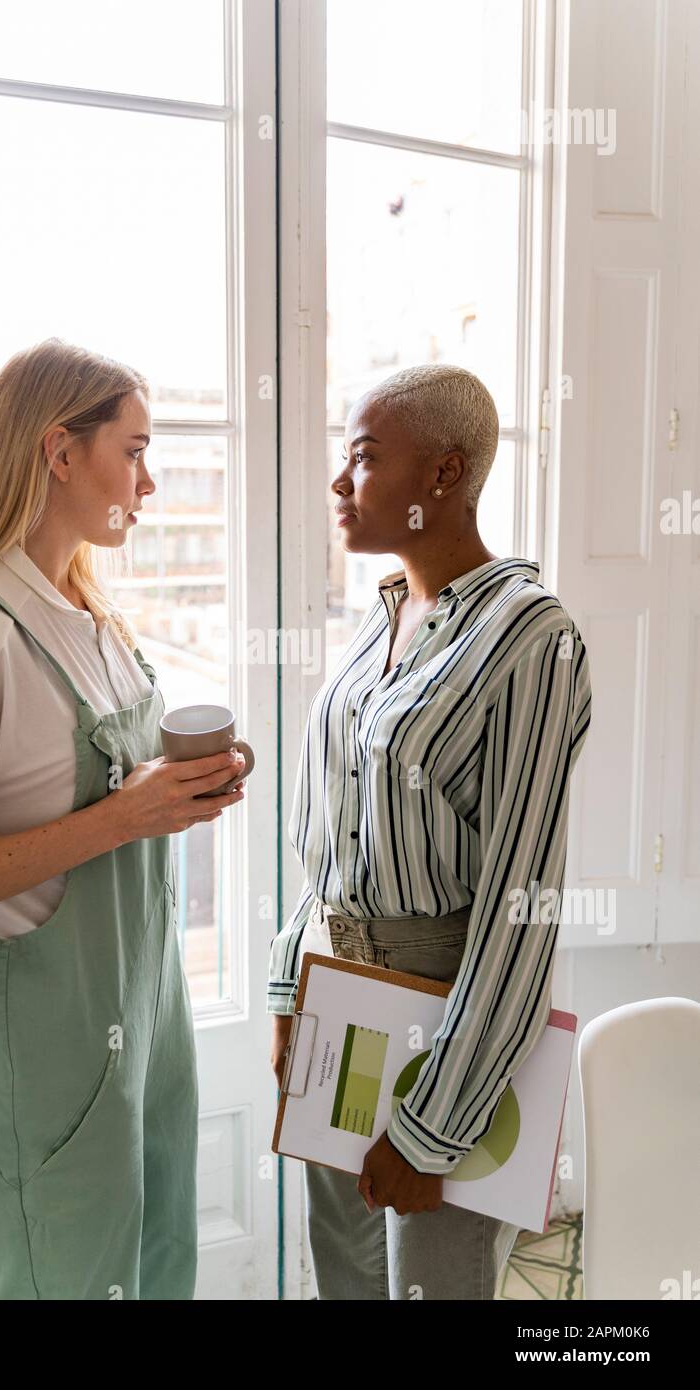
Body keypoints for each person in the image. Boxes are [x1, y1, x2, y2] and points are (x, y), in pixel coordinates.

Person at [0, 338, 248, 1300]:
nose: (150, 481)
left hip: (145, 1031)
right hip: (46, 1068)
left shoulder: (92, 614)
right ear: (59, 452)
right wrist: (122, 819)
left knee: (158, 1272)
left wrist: (179, 788)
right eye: (135, 450)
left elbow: (95, 792)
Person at [268, 364, 592, 1300]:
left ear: (444, 475)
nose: (340, 483)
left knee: (434, 1285)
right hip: (339, 1013)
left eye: (364, 459)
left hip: (447, 1016)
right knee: (345, 1280)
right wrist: (293, 984)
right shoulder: (382, 620)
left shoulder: (534, 636)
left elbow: (519, 908)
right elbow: (326, 830)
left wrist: (436, 1119)